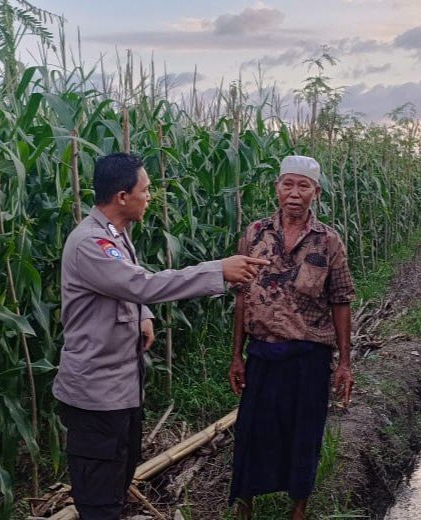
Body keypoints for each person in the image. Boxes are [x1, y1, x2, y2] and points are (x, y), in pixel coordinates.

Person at [53, 152, 268, 520]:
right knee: (99, 500)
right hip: (95, 397)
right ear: (122, 197)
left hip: (120, 392)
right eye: (146, 189)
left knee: (116, 485)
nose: (149, 197)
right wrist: (218, 270)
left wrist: (144, 314)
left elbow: (124, 281)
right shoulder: (91, 242)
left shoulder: (113, 236)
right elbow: (139, 283)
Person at [228, 155, 355, 520]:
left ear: (315, 192)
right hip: (263, 353)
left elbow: (341, 299)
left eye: (303, 186)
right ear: (277, 188)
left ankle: (298, 509)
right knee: (253, 434)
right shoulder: (254, 235)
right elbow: (242, 296)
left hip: (309, 357)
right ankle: (244, 507)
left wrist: (344, 363)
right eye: (288, 184)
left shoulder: (328, 241)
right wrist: (237, 355)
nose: (294, 193)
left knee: (304, 435)